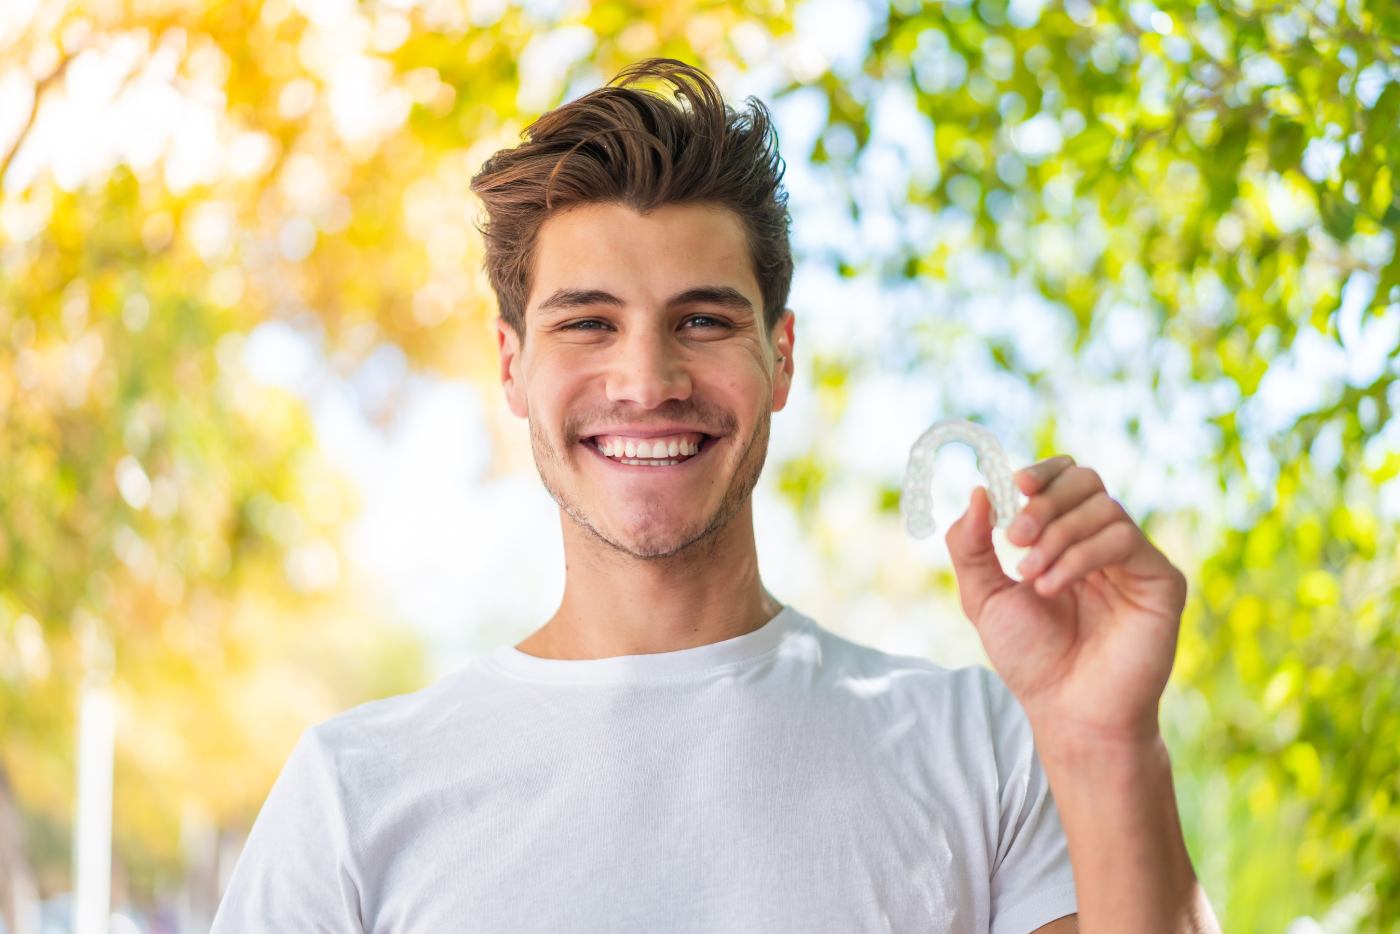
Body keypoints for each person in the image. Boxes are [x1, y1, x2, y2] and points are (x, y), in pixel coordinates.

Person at [210, 58, 1219, 933]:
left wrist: (1105, 742)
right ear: (511, 367)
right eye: (587, 324)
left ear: (778, 359)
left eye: (699, 321)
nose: (646, 381)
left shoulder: (986, 743)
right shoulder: (352, 793)